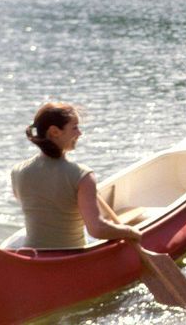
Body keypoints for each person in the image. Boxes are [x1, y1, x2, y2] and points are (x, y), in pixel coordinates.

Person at [11, 102, 141, 249]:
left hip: (35, 256)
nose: (80, 133)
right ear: (54, 131)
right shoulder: (82, 175)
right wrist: (131, 231)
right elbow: (97, 229)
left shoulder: (18, 171)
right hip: (70, 258)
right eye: (75, 127)